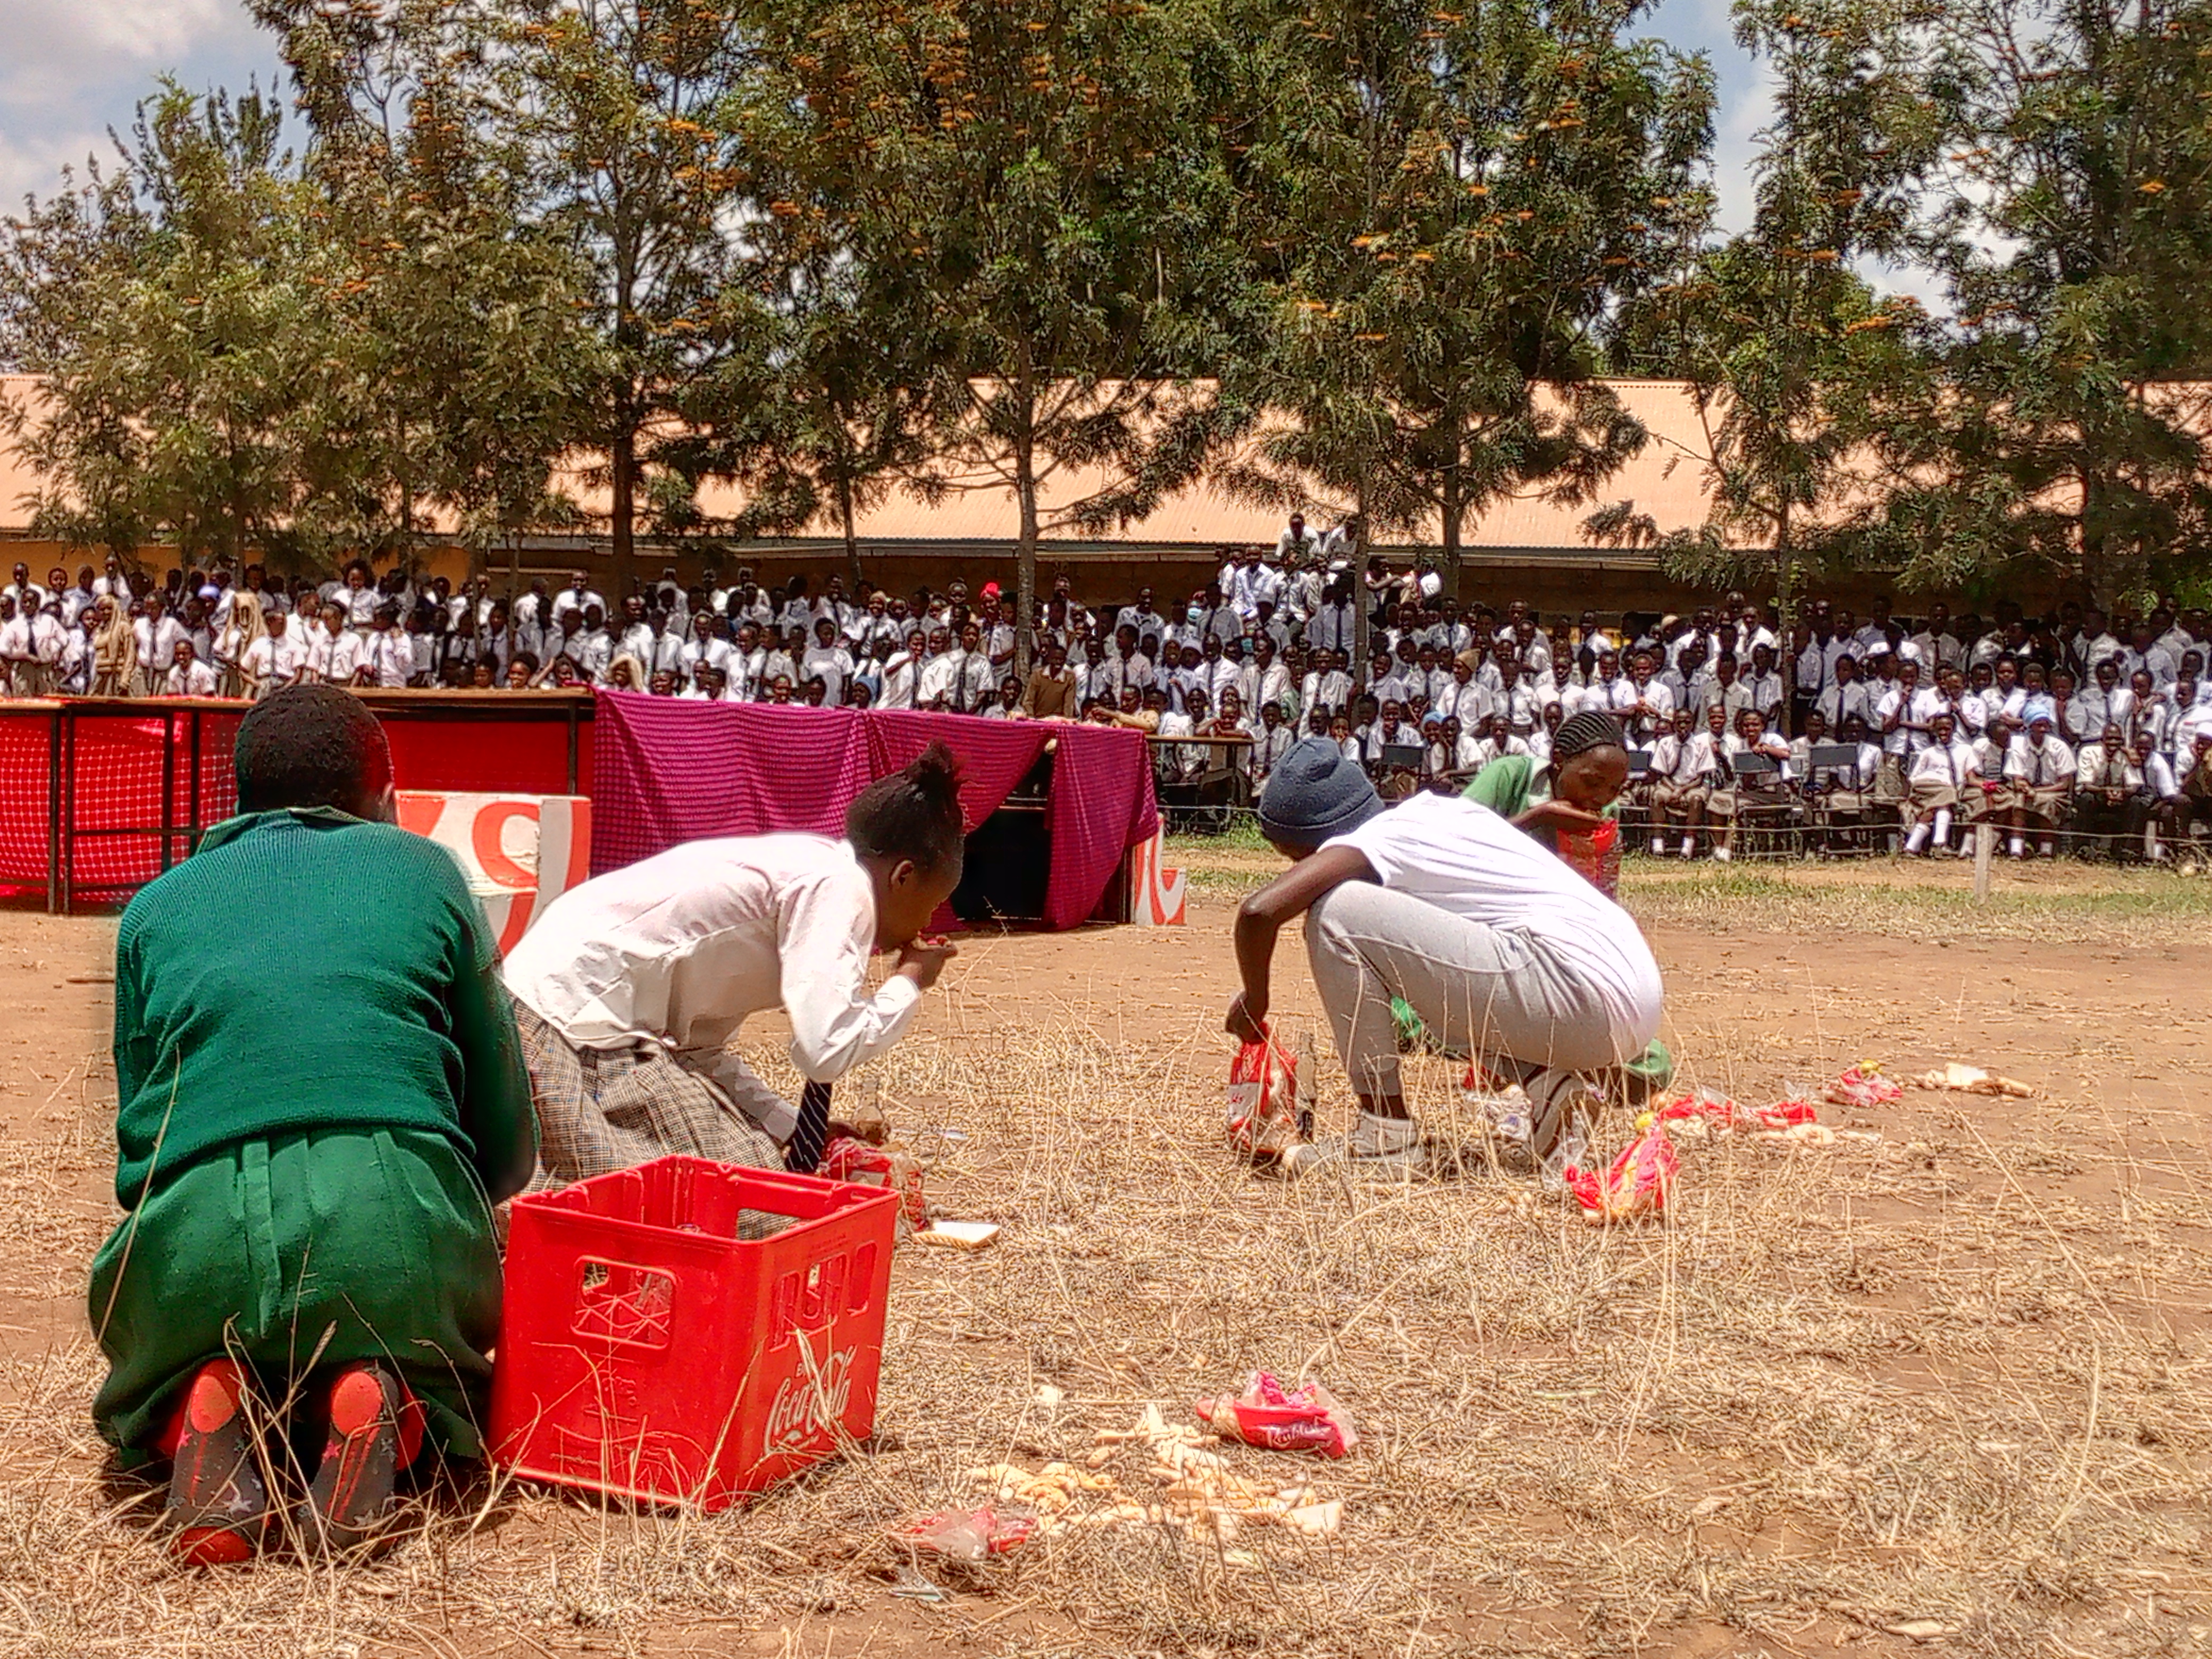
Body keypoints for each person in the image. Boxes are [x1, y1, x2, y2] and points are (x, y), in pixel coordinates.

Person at [88, 685, 535, 1564]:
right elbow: (507, 1128)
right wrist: (459, 1212)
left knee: (170, 1340)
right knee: (421, 1344)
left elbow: (141, 1145)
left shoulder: (154, 907)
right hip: (392, 1211)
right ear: (383, 796)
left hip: (197, 1231)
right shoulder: (426, 872)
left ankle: (199, 1396)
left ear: (240, 797)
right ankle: (384, 1392)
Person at [501, 743, 967, 1187]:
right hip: (571, 1024)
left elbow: (698, 1053)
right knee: (748, 1196)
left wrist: (796, 1129)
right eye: (931, 905)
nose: (926, 922)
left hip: (556, 1009)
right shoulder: (840, 887)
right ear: (903, 877)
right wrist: (909, 981)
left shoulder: (810, 868)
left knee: (743, 1161)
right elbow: (825, 1052)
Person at [1226, 738, 1663, 1177]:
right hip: (1626, 1002)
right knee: (1419, 979)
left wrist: (1254, 1001)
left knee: (1334, 912)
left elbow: (1258, 913)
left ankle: (1385, 1137)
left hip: (1578, 991)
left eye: (1296, 859)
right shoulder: (1444, 813)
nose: (1301, 871)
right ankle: (1549, 1088)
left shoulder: (1381, 839)